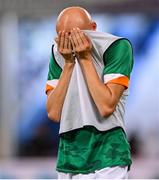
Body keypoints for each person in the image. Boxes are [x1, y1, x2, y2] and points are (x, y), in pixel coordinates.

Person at [45, 6, 133, 179]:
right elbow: (54, 113)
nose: (69, 43)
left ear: (93, 28)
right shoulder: (57, 54)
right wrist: (69, 64)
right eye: (62, 37)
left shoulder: (117, 47)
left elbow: (106, 106)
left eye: (76, 34)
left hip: (108, 152)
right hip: (69, 154)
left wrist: (85, 58)